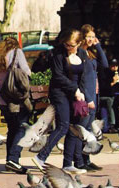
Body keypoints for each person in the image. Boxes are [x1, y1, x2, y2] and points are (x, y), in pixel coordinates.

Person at [32, 28, 91, 174]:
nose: (68, 47)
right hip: (60, 93)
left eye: (71, 45)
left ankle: (67, 164)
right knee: (63, 126)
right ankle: (41, 157)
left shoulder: (83, 54)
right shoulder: (58, 54)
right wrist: (75, 90)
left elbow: (83, 77)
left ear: (79, 43)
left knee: (75, 127)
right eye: (66, 44)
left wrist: (84, 96)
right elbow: (58, 76)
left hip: (76, 94)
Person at [0, 37, 32, 174]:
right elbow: (26, 71)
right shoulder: (17, 52)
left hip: (2, 99)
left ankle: (10, 161)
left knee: (12, 129)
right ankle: (13, 159)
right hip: (16, 99)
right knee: (22, 128)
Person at [77, 24, 108, 171]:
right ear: (82, 37)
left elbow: (105, 64)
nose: (90, 39)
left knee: (88, 130)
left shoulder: (90, 53)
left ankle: (86, 158)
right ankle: (79, 160)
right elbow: (81, 80)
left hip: (94, 95)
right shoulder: (79, 54)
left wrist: (98, 46)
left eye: (92, 36)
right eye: (88, 36)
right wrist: (88, 98)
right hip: (86, 97)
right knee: (82, 129)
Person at [99, 58, 119, 133]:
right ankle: (112, 124)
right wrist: (113, 82)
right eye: (113, 66)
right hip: (104, 96)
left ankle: (110, 125)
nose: (115, 68)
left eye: (116, 66)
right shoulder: (105, 74)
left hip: (112, 96)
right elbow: (103, 88)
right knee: (110, 102)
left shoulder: (116, 74)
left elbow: (118, 88)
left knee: (114, 103)